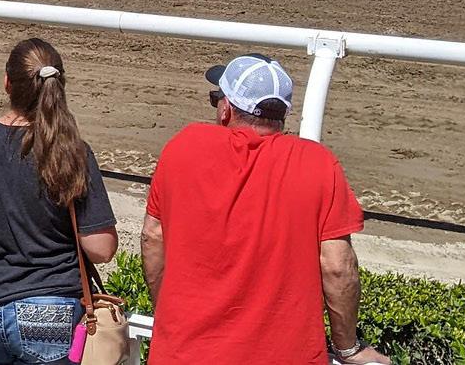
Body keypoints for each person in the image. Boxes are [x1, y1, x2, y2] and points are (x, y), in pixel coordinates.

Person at [140, 55, 386, 365]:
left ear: (226, 108)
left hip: (184, 352)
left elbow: (152, 237)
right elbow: (338, 267)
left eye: (216, 98)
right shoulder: (317, 163)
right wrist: (348, 347)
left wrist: (171, 314)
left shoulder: (183, 147)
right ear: (283, 115)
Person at [0, 39, 116, 364]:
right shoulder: (71, 151)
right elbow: (101, 248)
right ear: (59, 86)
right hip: (50, 304)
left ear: (7, 83)